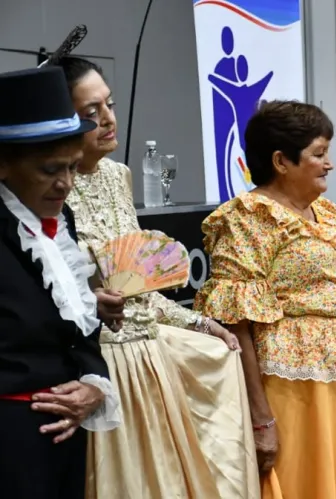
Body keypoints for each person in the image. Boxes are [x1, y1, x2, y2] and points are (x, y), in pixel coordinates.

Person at [52, 56, 256, 498]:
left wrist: (200, 322)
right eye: (91, 112)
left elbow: (141, 288)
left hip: (149, 361)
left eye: (109, 105)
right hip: (97, 363)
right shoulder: (48, 188)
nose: (108, 120)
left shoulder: (118, 176)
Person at [196, 100, 336, 499]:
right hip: (296, 385)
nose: (329, 164)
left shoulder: (326, 213)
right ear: (281, 161)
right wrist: (260, 417)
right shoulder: (249, 217)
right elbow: (235, 321)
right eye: (318, 154)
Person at [0, 66, 121, 499]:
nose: (66, 184)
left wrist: (94, 383)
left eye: (72, 167)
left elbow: (76, 329)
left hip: (67, 433)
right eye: (51, 169)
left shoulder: (59, 219)